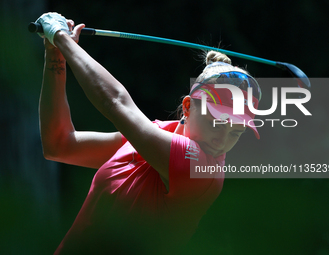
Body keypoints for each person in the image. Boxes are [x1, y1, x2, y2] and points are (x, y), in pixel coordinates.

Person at [36, 13, 261, 255]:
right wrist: (55, 54)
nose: (222, 140)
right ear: (187, 106)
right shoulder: (157, 133)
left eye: (236, 132)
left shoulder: (199, 169)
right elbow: (60, 145)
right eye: (216, 123)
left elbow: (115, 102)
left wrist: (60, 37)